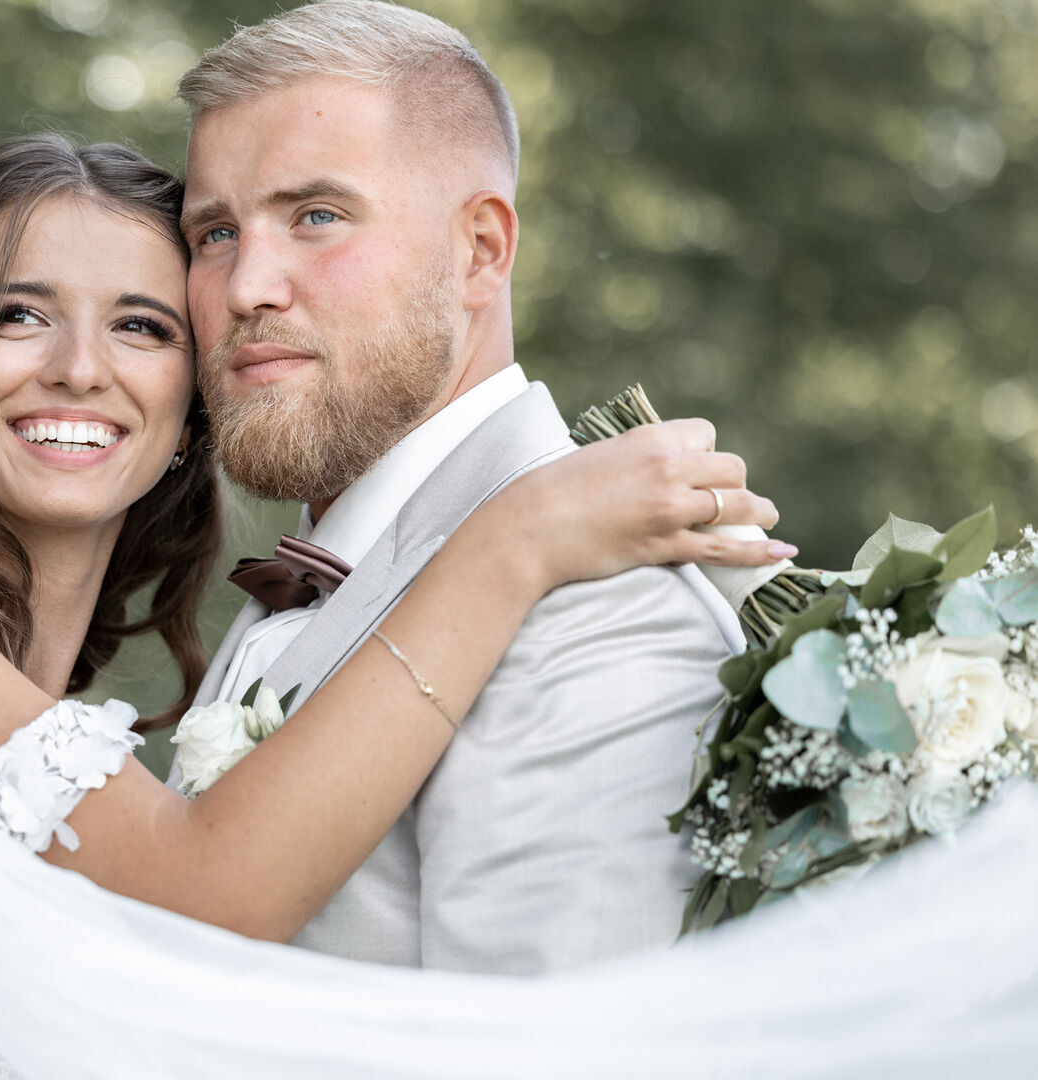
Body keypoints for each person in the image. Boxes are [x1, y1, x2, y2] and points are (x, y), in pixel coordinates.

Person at [0, 129, 787, 1076]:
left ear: (193, 394)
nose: (79, 367)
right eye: (17, 316)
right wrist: (517, 537)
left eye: (142, 327)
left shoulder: (41, 707)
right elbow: (207, 890)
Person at [174, 0, 759, 973]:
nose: (245, 288)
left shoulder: (597, 614)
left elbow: (555, 1040)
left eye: (316, 216)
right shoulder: (314, 575)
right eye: (215, 233)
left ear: (480, 251)